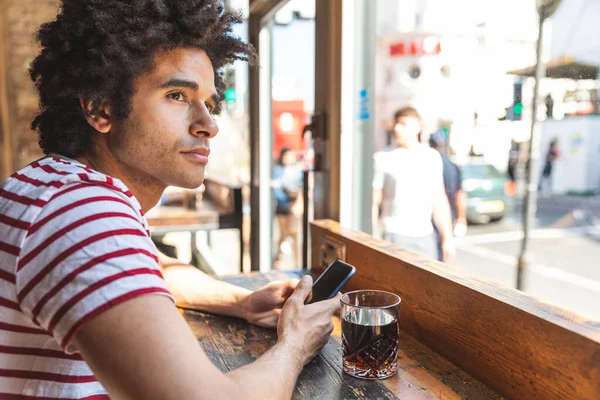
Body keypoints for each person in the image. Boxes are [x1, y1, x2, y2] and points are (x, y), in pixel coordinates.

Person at [0, 1, 339, 398]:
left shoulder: (52, 185)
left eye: (210, 104)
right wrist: (295, 344)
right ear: (99, 106)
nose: (208, 124)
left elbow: (149, 267)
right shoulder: (84, 215)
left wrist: (243, 302)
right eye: (178, 95)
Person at [372, 107, 455, 261]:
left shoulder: (432, 157)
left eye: (403, 123)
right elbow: (374, 202)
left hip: (424, 236)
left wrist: (447, 239)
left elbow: (439, 200)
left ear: (418, 127)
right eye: (396, 123)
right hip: (392, 234)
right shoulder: (382, 158)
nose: (397, 128)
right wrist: (372, 238)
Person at [429, 131, 468, 258]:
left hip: (429, 216)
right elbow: (459, 195)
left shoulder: (428, 164)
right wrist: (461, 217)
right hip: (447, 216)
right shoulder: (452, 166)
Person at [273, 147, 303, 268]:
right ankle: (277, 257)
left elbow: (301, 188)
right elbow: (276, 187)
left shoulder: (298, 171)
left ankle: (297, 263)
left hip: (294, 205)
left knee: (294, 233)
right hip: (281, 205)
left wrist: (298, 203)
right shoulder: (277, 170)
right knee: (283, 233)